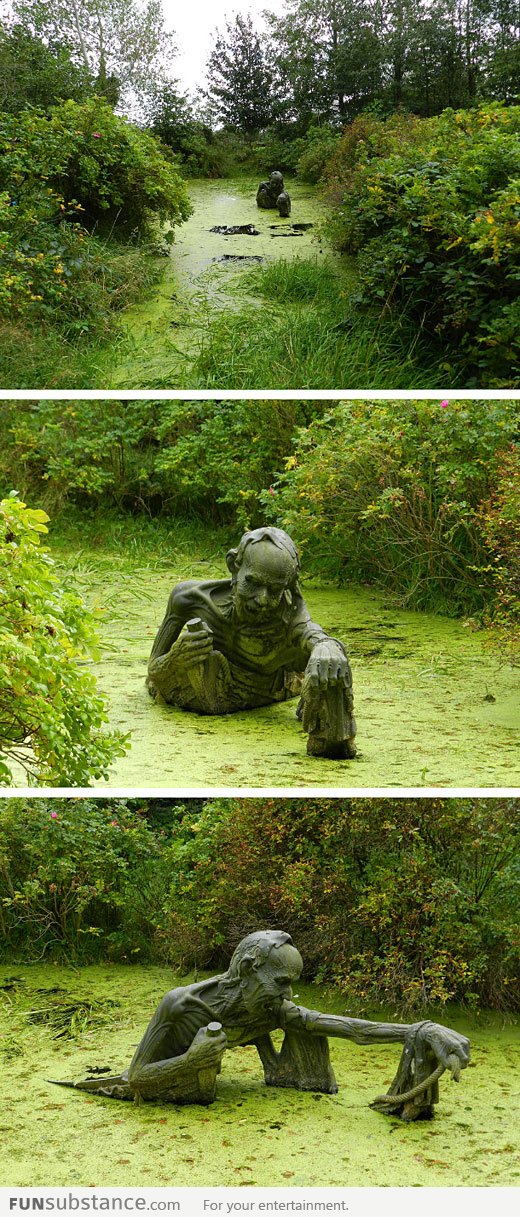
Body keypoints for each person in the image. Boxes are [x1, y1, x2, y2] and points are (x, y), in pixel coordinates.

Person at [51, 930, 471, 1121]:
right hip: (166, 1089)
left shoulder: (274, 1007)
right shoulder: (180, 1006)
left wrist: (421, 1029)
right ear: (250, 968)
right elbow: (138, 1076)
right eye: (281, 982)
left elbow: (349, 1028)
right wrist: (193, 1060)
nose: (287, 996)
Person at [146, 527, 356, 759]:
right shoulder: (188, 598)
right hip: (208, 684)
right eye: (253, 583)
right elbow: (154, 671)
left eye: (275, 589)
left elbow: (313, 635)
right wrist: (176, 658)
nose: (263, 599)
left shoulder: (290, 617)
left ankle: (330, 744)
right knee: (204, 662)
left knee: (330, 659)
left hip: (265, 688)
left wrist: (326, 646)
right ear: (234, 567)